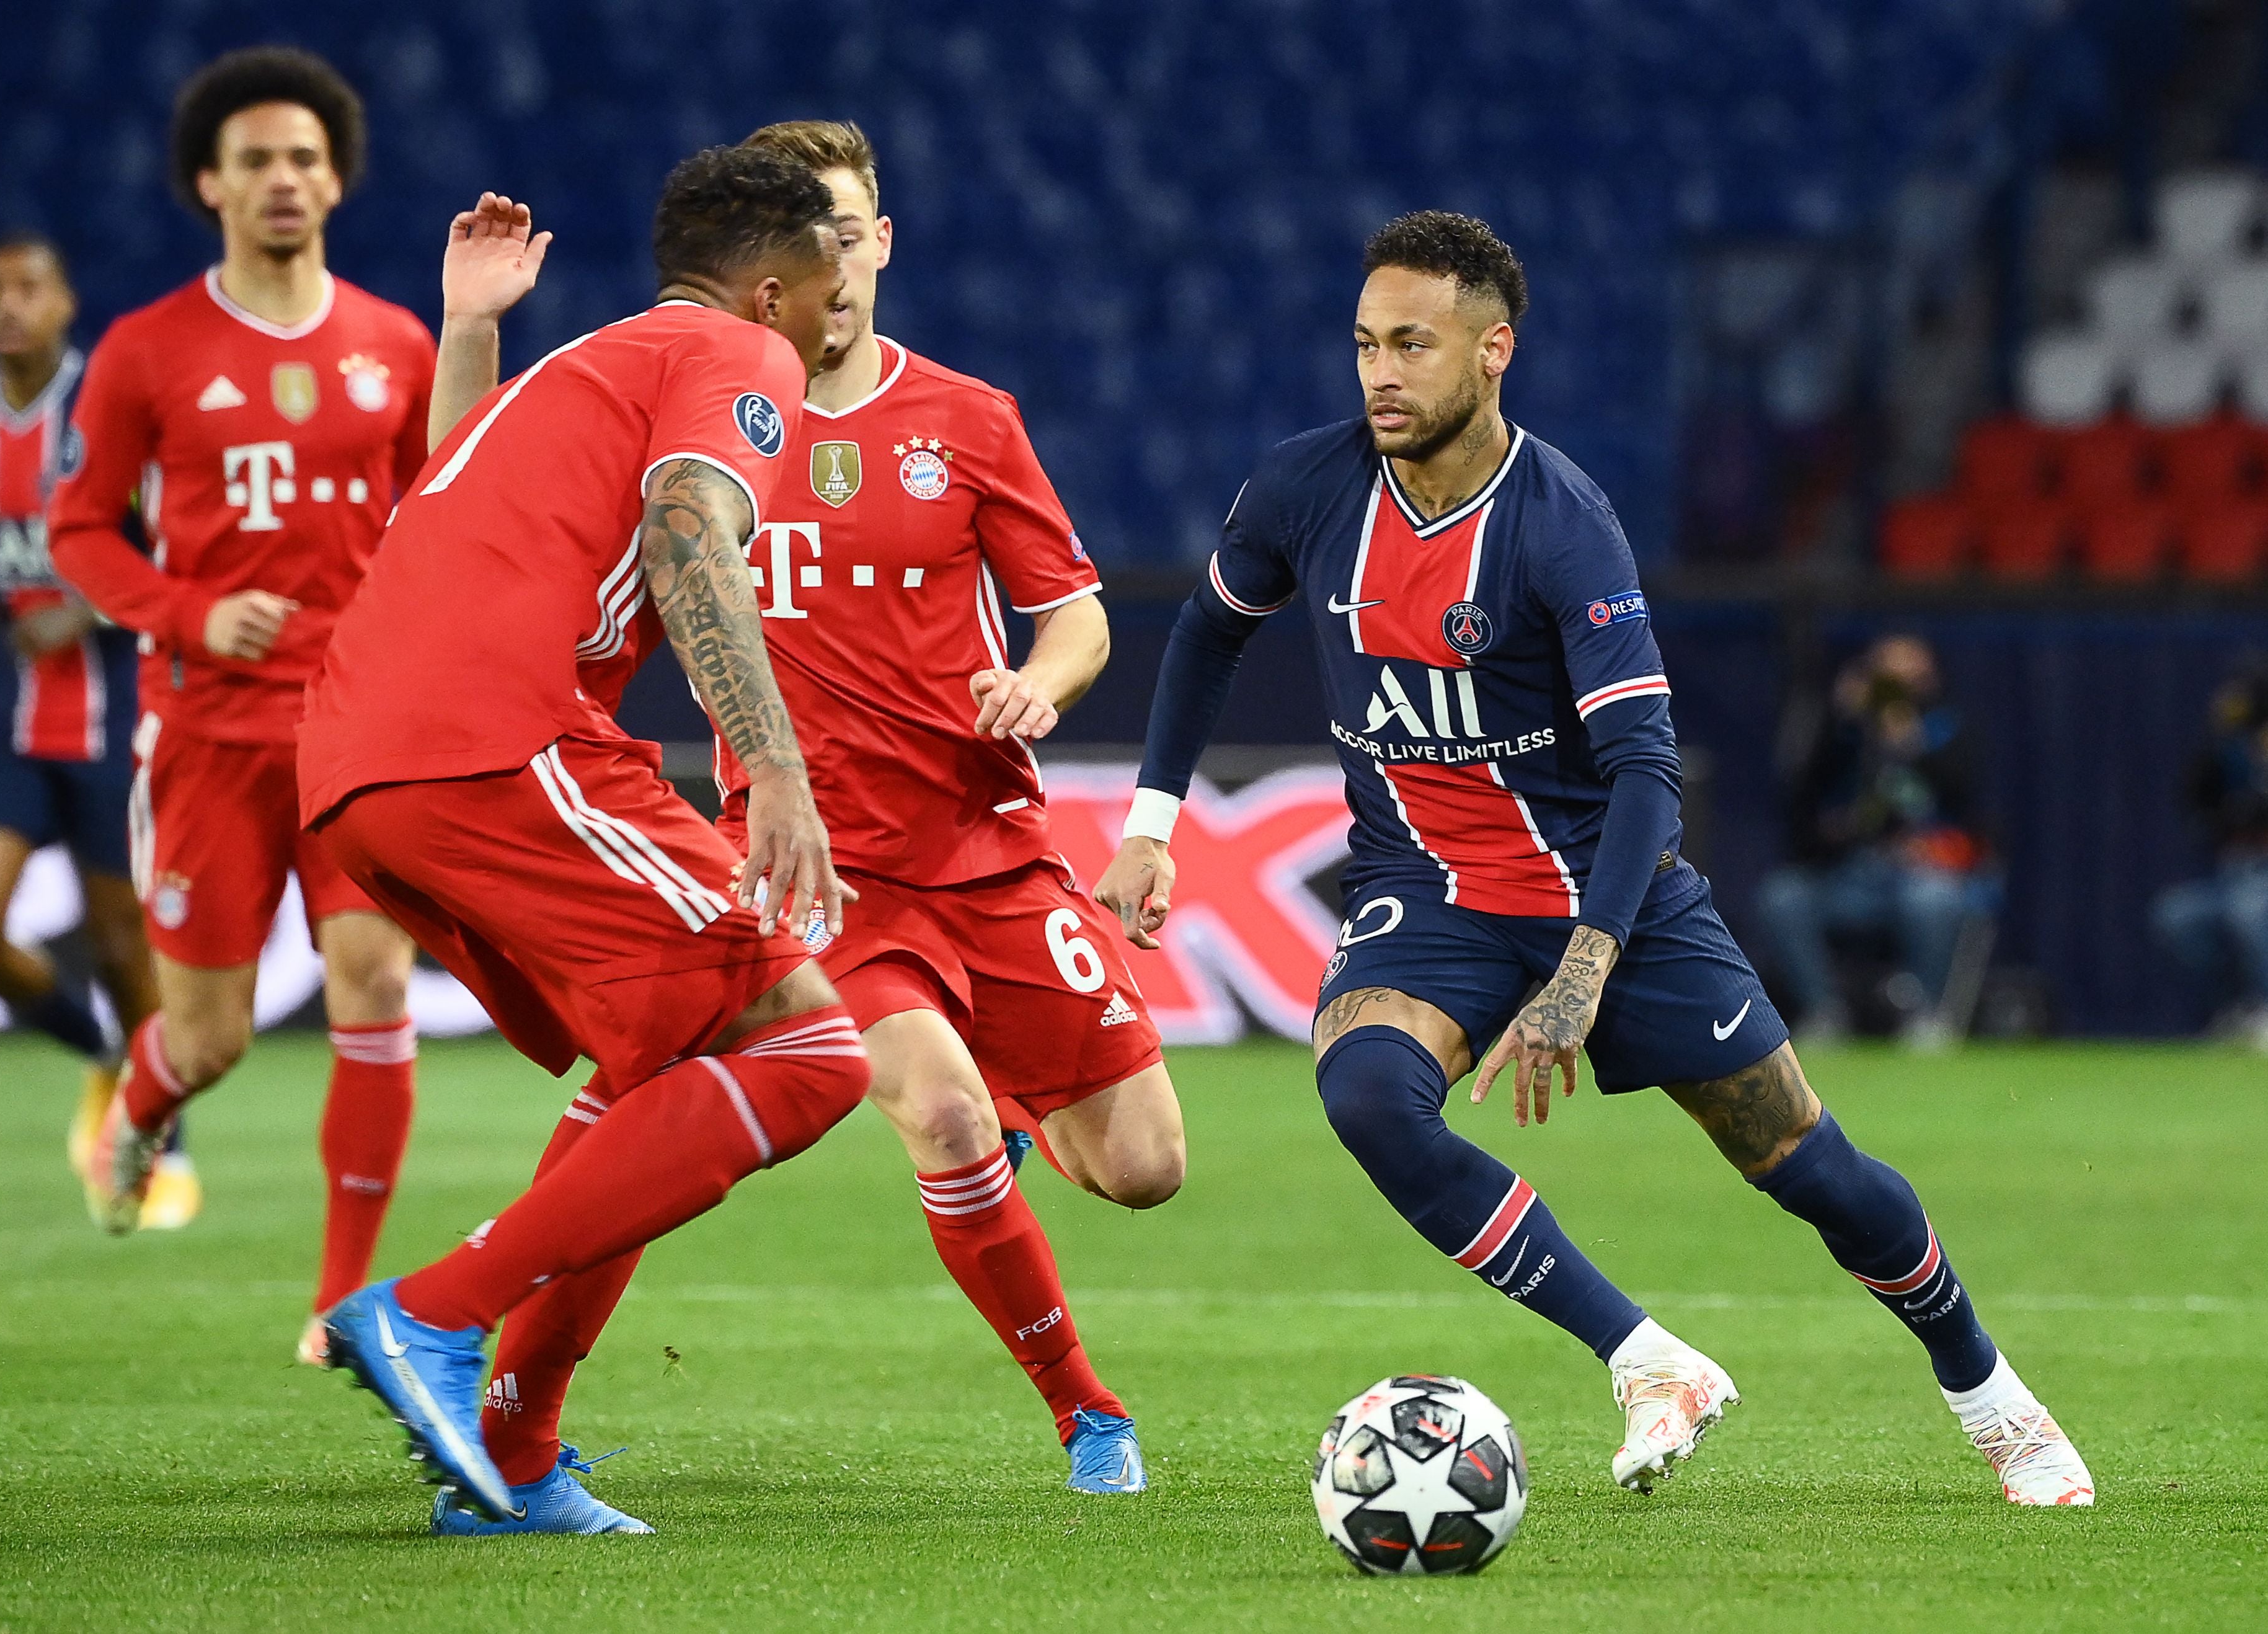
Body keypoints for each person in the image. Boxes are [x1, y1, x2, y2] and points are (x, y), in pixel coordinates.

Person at [1096, 212, 2092, 1507]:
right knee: (1362, 1096)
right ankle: (1643, 1357)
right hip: (1429, 892)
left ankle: (1988, 1394)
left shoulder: (1561, 524)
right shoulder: (1303, 488)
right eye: (1360, 345)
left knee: (1808, 1169)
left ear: (1492, 350)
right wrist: (1152, 822)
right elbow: (1206, 634)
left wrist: (1582, 968)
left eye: (1411, 343)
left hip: (1609, 894)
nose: (1378, 373)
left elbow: (1642, 774)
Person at [291, 144, 867, 1535]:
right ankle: (429, 1315)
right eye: (834, 271)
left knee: (660, 1057)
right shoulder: (741, 354)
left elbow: (455, 502)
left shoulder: (581, 365)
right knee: (808, 1048)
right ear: (776, 287)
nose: (843, 302)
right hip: (497, 739)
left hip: (366, 757)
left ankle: (517, 1457)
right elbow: (686, 529)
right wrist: (776, 768)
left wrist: (470, 329)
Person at [690, 119, 1177, 1494]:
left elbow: (1073, 614)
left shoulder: (966, 420)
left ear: (881, 240)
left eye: (845, 229)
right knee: (945, 1121)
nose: (826, 259)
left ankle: (1016, 1090)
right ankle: (1087, 1411)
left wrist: (1039, 682)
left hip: (988, 845)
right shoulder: (700, 424)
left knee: (1142, 1168)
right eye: (797, 235)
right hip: (819, 874)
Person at [47, 50, 435, 1361]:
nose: (285, 179)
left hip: (357, 726)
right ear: (209, 182)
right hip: (209, 732)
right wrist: (186, 611)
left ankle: (343, 1301)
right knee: (205, 1038)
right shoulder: (144, 350)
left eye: (306, 159)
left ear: (336, 182)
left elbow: (432, 522)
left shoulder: (396, 343)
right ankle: (144, 1106)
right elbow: (80, 532)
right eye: (259, 159)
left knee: (374, 979)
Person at [0, 234, 191, 1228]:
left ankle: (160, 1134)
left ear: (65, 302)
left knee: (125, 944)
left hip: (111, 713)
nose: (7, 306)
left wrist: (87, 608)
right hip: (8, 712)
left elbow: (172, 538)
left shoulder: (106, 404)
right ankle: (99, 1051)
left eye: (26, 287)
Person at [1756, 634, 1988, 1049]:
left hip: (1918, 875)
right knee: (1783, 897)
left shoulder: (1945, 731)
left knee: (1930, 901)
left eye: (1906, 680)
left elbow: (1971, 808)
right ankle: (1824, 1012)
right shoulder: (1843, 735)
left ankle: (1929, 1018)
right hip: (1850, 877)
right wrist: (1838, 722)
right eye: (1885, 679)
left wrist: (1910, 747)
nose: (1893, 692)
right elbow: (1801, 808)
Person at [2151, 661, 2268, 1047]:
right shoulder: (2226, 751)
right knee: (2178, 916)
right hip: (2234, 875)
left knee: (2251, 914)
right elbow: (2199, 806)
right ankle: (2237, 1008)